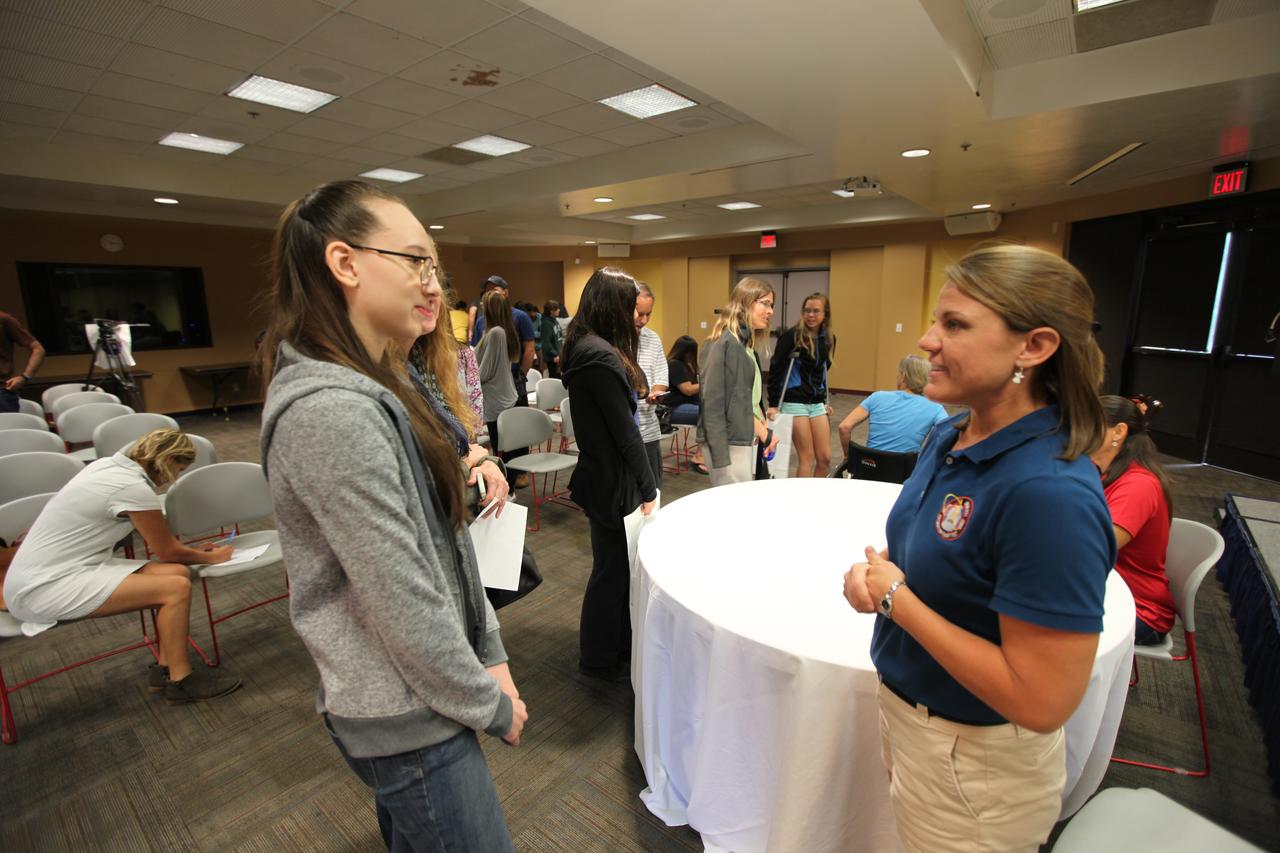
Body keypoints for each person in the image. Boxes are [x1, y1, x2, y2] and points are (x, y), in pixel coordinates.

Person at [257, 180, 526, 851]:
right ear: (345, 264)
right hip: (408, 714)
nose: (432, 283)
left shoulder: (388, 384)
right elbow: (400, 590)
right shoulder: (333, 409)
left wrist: (488, 651)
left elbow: (448, 547)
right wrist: (486, 699)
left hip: (426, 694)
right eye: (412, 260)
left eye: (434, 265)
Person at [842, 244, 1114, 853]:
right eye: (937, 320)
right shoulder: (950, 432)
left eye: (954, 324)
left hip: (975, 762)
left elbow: (1041, 699)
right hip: (916, 720)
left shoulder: (1049, 493)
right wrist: (883, 578)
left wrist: (894, 598)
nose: (925, 340)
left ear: (1034, 348)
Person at [2, 428, 241, 702]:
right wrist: (213, 557)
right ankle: (181, 681)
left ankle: (165, 667)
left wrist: (192, 553)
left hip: (66, 568)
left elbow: (172, 556)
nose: (175, 477)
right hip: (40, 587)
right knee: (174, 588)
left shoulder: (107, 467)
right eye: (180, 468)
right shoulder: (131, 488)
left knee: (178, 572)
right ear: (167, 460)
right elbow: (165, 550)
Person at [560, 267, 657, 681]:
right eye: (631, 308)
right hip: (611, 479)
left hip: (605, 474)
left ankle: (613, 648)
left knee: (614, 568)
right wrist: (649, 484)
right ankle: (599, 658)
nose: (636, 317)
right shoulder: (597, 354)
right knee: (611, 571)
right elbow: (625, 433)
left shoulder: (590, 347)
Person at [402, 279, 508, 515]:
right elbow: (416, 490)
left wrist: (481, 460)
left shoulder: (433, 362)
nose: (433, 290)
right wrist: (472, 461)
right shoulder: (386, 379)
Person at [1091, 394, 1174, 646]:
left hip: (1137, 609)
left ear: (1118, 432)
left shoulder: (1138, 485)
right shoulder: (1106, 472)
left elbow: (1095, 547)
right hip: (1103, 590)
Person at [698, 277, 779, 487]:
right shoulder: (725, 342)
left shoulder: (746, 345)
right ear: (745, 302)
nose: (770, 311)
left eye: (772, 305)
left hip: (741, 437)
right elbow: (714, 403)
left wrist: (763, 429)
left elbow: (748, 399)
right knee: (734, 510)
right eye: (765, 303)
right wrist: (720, 456)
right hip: (726, 442)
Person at [767, 292, 835, 477]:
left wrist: (824, 400)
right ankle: (802, 500)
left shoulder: (828, 338)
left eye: (815, 311)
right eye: (807, 311)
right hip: (794, 400)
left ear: (825, 314)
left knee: (825, 458)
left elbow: (823, 370)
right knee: (807, 457)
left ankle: (816, 496)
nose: (810, 315)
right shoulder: (792, 336)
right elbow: (776, 369)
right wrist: (773, 404)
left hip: (816, 403)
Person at [837, 355, 949, 456]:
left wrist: (848, 457)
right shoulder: (935, 407)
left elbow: (844, 427)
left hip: (869, 469)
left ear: (904, 376)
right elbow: (949, 436)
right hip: (906, 475)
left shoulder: (877, 397)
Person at [475, 290, 521, 456]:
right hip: (498, 399)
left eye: (483, 303)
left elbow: (485, 372)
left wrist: (466, 378)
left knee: (502, 452)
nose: (480, 305)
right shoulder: (494, 332)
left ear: (490, 308)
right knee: (501, 449)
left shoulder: (496, 333)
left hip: (497, 401)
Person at [633, 283, 669, 489]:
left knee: (652, 489)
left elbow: (662, 374)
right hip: (625, 432)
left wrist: (657, 392)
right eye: (640, 313)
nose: (644, 320)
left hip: (649, 428)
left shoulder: (652, 338)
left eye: (649, 314)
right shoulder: (611, 341)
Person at [665, 335, 707, 474]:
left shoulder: (686, 366)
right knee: (709, 414)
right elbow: (688, 390)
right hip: (674, 409)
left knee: (713, 410)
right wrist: (708, 383)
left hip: (687, 405)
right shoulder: (674, 364)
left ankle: (705, 454)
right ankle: (699, 456)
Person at [1, 310, 45, 413]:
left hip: (1, 392)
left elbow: (38, 349)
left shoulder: (4, 319)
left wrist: (25, 377)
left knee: (7, 428)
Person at [541, 300, 564, 379]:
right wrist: (554, 354)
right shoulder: (546, 324)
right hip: (553, 358)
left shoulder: (555, 321)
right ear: (551, 311)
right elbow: (546, 343)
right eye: (556, 309)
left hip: (559, 355)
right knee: (555, 379)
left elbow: (559, 338)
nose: (559, 310)